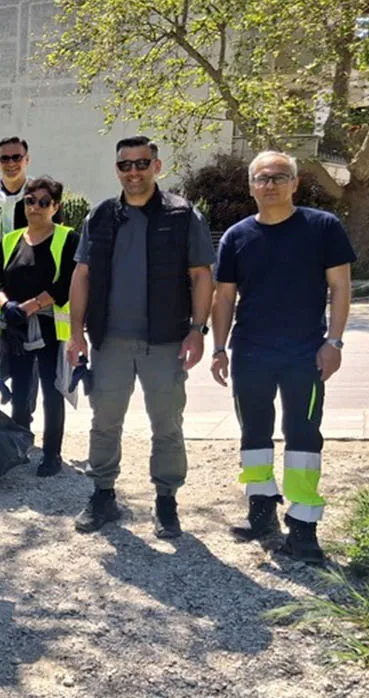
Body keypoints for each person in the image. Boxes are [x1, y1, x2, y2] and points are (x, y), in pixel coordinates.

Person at [65, 136, 215, 538]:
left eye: (141, 163)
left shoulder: (182, 215)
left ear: (156, 166)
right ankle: (103, 495)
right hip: (109, 341)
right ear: (117, 169)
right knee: (104, 423)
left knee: (167, 424)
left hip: (164, 342)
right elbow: (82, 275)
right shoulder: (99, 216)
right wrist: (75, 334)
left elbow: (202, 275)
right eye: (125, 165)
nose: (133, 172)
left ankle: (166, 501)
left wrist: (198, 331)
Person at [210, 151, 355, 564]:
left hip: (304, 354)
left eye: (279, 177)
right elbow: (224, 297)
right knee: (253, 435)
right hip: (250, 353)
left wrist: (335, 342)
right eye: (261, 178)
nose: (269, 185)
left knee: (303, 437)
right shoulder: (236, 236)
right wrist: (219, 348)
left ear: (295, 183)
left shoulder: (322, 227)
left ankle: (304, 528)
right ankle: (261, 513)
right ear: (251, 186)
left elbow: (340, 287)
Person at [0, 176, 79, 477]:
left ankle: (52, 454)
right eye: (30, 201)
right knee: (21, 389)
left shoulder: (68, 238)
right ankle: (20, 446)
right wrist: (6, 305)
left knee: (52, 393)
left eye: (43, 202)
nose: (35, 208)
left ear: (56, 206)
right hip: (16, 327)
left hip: (52, 330)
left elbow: (67, 282)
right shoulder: (10, 239)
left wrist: (30, 306)